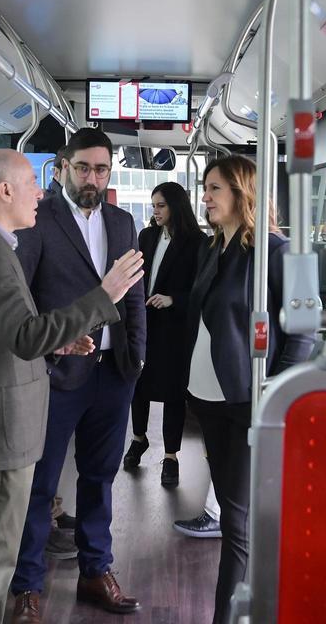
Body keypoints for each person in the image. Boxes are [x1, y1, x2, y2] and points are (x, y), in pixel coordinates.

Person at [0, 150, 145, 624]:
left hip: (83, 377)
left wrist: (66, 343)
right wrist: (103, 296)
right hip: (3, 420)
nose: (39, 190)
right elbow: (25, 331)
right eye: (32, 181)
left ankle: (94, 571)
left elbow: (11, 326)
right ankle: (25, 590)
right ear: (5, 190)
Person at [10, 128, 147, 622]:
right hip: (53, 371)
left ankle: (96, 570)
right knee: (41, 483)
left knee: (100, 476)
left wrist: (137, 359)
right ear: (63, 167)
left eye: (102, 169)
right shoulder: (36, 220)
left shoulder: (122, 222)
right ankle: (26, 585)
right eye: (84, 168)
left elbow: (133, 295)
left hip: (113, 373)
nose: (93, 178)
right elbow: (22, 298)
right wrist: (42, 358)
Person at [185, 155, 314, 623]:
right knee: (234, 515)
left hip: (247, 402)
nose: (206, 197)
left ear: (243, 192)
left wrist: (273, 391)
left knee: (237, 523)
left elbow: (305, 331)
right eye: (205, 187)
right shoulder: (212, 248)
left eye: (214, 188)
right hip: (208, 399)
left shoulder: (280, 252)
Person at [123, 182, 206, 487]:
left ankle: (171, 456)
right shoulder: (146, 235)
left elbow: (199, 289)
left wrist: (174, 299)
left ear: (176, 206)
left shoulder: (197, 242)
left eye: (161, 206)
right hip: (144, 322)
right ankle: (138, 438)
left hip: (174, 327)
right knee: (138, 384)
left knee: (173, 392)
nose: (155, 212)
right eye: (153, 205)